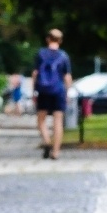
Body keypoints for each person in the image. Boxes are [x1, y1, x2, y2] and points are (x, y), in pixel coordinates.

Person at [31, 29, 73, 159]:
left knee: (41, 120)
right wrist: (67, 92)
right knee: (58, 121)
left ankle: (47, 141)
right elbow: (67, 77)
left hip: (43, 90)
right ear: (60, 41)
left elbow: (35, 74)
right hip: (58, 90)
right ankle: (55, 152)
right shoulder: (64, 56)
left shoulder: (41, 54)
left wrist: (34, 90)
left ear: (48, 39)